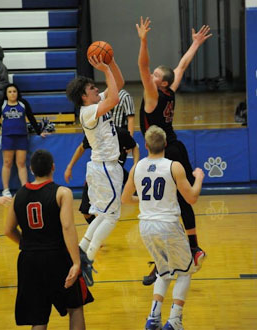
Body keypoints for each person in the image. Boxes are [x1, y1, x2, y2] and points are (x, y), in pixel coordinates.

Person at [136, 17, 212, 285]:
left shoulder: (154, 94)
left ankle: (171, 258)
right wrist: (195, 44)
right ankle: (189, 248)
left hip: (163, 151)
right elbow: (182, 65)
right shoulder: (170, 90)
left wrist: (144, 40)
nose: (151, 76)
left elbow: (142, 66)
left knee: (166, 205)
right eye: (154, 74)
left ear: (161, 84)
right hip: (174, 146)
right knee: (175, 203)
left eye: (156, 76)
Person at [121, 125, 205, 330]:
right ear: (165, 144)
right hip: (168, 224)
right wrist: (200, 178)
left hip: (146, 226)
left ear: (147, 145)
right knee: (186, 271)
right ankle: (175, 320)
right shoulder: (174, 166)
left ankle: (153, 318)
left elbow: (125, 199)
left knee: (164, 271)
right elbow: (192, 198)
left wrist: (145, 201)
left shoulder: (137, 167)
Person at [4, 149, 93, 329]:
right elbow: (68, 227)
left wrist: (27, 243)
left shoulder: (18, 195)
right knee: (75, 308)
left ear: (31, 169)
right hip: (57, 257)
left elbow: (8, 230)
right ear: (53, 167)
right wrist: (76, 263)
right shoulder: (62, 192)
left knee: (38, 318)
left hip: (29, 261)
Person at [66, 55, 124, 286]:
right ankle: (87, 259)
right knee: (113, 216)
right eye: (92, 88)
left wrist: (110, 64)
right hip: (105, 168)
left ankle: (81, 249)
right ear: (83, 95)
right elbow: (115, 97)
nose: (97, 89)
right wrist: (104, 69)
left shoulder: (92, 103)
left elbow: (117, 85)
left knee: (104, 214)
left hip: (104, 167)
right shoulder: (87, 111)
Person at [64, 127, 140, 224]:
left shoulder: (120, 133)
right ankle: (99, 233)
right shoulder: (93, 133)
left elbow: (134, 146)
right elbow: (81, 148)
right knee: (86, 212)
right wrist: (69, 166)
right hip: (97, 174)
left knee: (110, 212)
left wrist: (135, 165)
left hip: (115, 173)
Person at [0, 83, 47, 198]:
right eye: (10, 92)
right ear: (6, 94)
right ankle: (6, 190)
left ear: (17, 93)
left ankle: (24, 188)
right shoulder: (2, 104)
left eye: (14, 91)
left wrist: (39, 131)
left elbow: (31, 117)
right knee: (7, 163)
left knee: (21, 163)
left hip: (21, 137)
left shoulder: (23, 104)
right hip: (7, 137)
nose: (12, 94)